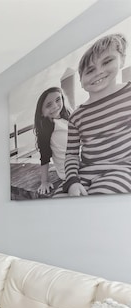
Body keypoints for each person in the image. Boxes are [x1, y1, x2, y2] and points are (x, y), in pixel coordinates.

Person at [63, 33, 131, 196]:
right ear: (81, 80)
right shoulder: (76, 116)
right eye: (90, 70)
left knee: (99, 198)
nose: (98, 72)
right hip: (84, 173)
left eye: (107, 61)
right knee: (56, 206)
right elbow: (71, 154)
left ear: (122, 60)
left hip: (123, 169)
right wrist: (72, 180)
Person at [33, 87, 71, 195]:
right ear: (41, 112)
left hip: (75, 162)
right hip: (70, 172)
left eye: (58, 100)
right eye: (48, 105)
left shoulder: (65, 119)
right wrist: (44, 182)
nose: (55, 106)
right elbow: (44, 156)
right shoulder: (47, 128)